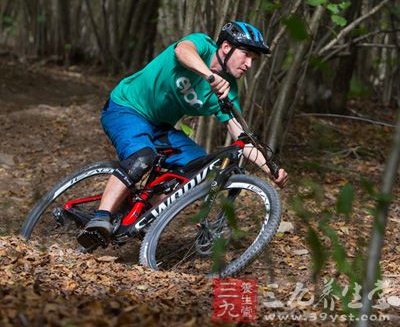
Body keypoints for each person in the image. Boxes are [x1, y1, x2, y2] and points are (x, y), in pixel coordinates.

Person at [77, 21, 288, 249]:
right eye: (246, 55)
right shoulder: (202, 45)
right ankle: (101, 217)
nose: (248, 64)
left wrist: (271, 169)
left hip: (160, 126)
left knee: (198, 165)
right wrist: (210, 76)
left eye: (253, 60)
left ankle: (145, 217)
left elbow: (241, 137)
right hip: (126, 107)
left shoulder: (230, 90)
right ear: (226, 47)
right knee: (142, 156)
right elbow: (182, 51)